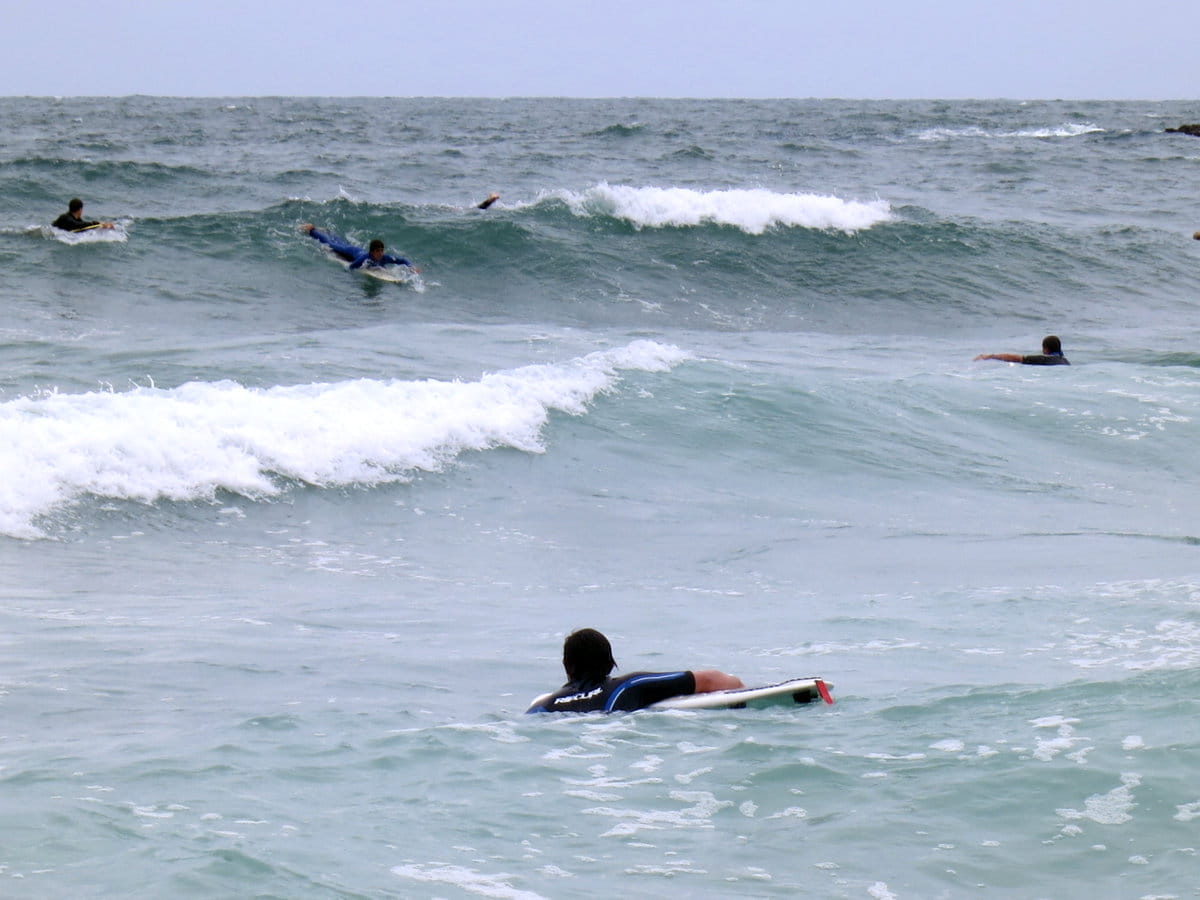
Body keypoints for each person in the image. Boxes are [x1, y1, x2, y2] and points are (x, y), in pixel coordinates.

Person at [525, 628, 744, 714]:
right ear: (611, 663)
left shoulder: (543, 705)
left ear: (566, 666)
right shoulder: (628, 686)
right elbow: (713, 680)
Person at [301, 224, 413, 270]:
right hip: (352, 252)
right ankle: (312, 230)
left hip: (356, 250)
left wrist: (411, 267)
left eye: (382, 251)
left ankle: (327, 231)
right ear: (372, 252)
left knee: (341, 242)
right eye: (378, 251)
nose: (381, 253)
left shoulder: (385, 258)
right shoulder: (365, 259)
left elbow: (401, 260)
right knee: (332, 245)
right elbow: (351, 267)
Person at [974, 335, 1070, 366]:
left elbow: (1016, 358)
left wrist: (990, 356)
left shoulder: (1045, 359)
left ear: (1045, 349)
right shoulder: (1065, 362)